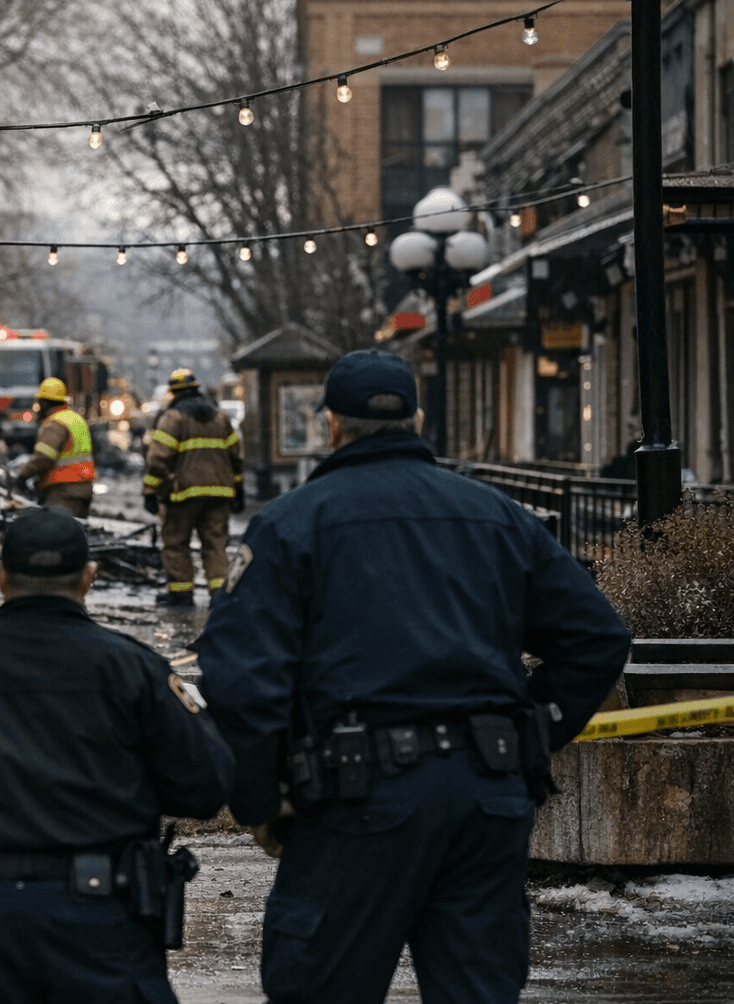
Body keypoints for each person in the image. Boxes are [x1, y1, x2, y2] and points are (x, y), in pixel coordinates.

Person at [195, 348, 630, 1004]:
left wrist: (262, 799)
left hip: (355, 803)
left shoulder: (290, 525)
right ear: (418, 418)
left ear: (332, 425)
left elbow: (240, 680)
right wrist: (532, 735)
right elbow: (597, 638)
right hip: (485, 801)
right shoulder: (498, 518)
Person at [0, 508, 234, 1004]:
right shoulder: (133, 668)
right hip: (104, 922)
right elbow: (205, 785)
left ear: (0, 577)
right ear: (89, 579)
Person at [143, 367, 245, 607]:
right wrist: (238, 490)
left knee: (177, 543)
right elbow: (236, 458)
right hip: (219, 494)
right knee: (215, 544)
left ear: (174, 394)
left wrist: (150, 491)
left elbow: (158, 460)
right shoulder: (221, 419)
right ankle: (219, 594)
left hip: (183, 495)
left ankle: (181, 594)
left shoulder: (172, 418)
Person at [15, 377, 95, 517]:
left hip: (62, 491)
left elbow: (43, 457)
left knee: (51, 533)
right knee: (73, 533)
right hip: (84, 489)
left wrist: (22, 476)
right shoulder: (76, 419)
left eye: (40, 402)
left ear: (45, 402)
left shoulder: (55, 424)